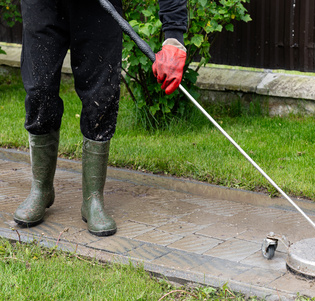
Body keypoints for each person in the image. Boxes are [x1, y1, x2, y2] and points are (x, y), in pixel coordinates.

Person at [13, 0, 187, 236]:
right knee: (39, 91)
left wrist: (174, 37)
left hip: (99, 8)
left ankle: (92, 199)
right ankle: (41, 189)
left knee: (101, 98)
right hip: (43, 5)